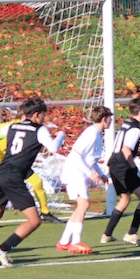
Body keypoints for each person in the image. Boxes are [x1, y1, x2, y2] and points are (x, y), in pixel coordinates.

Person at [0, 97, 66, 267]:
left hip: (1, 173)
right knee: (34, 221)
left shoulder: (11, 126)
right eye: (44, 115)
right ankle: (3, 249)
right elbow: (53, 148)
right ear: (37, 115)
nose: (44, 119)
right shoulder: (39, 130)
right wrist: (61, 135)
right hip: (14, 177)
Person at [0, 118, 64, 224]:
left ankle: (45, 213)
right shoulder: (7, 128)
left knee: (37, 182)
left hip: (12, 162)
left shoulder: (26, 130)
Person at [56, 105, 114, 254]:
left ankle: (63, 241)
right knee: (84, 204)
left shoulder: (98, 134)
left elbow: (91, 159)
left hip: (79, 172)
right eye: (110, 118)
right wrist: (90, 173)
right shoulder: (92, 134)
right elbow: (76, 155)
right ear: (104, 119)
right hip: (75, 172)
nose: (111, 121)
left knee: (80, 206)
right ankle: (75, 242)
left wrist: (100, 173)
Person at [102, 97, 140, 246]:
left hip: (114, 164)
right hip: (123, 167)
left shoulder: (127, 124)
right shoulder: (136, 129)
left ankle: (107, 235)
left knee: (125, 199)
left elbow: (123, 146)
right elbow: (126, 150)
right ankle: (132, 233)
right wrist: (135, 169)